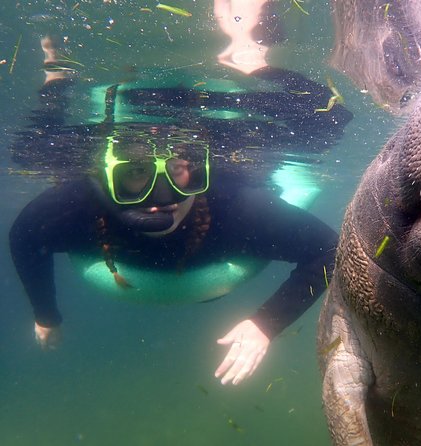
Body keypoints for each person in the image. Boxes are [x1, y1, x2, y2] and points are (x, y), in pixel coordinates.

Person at [9, 0, 349, 386]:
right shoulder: (74, 205)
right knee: (33, 149)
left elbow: (330, 248)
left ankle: (61, 75)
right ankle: (57, 80)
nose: (160, 196)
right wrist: (45, 314)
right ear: (104, 177)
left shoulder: (237, 207)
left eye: (181, 171)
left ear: (204, 170)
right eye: (134, 173)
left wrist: (266, 324)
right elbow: (23, 238)